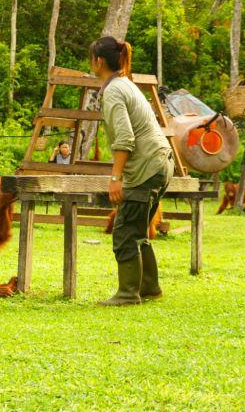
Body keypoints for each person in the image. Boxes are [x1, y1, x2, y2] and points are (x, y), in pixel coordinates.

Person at [90, 36, 174, 306]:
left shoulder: (114, 90)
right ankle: (149, 287)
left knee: (125, 229)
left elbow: (125, 138)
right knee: (137, 229)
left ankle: (128, 293)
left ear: (99, 61)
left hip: (147, 166)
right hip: (161, 163)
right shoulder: (126, 84)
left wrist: (115, 178)